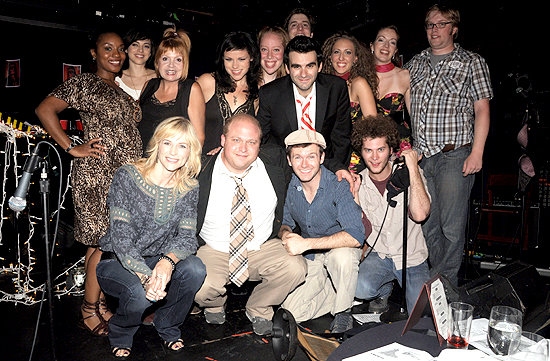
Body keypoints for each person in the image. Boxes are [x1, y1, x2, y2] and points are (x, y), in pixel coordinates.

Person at [35, 29, 143, 337]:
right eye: (107, 48)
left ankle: (98, 302)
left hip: (125, 177)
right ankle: (88, 309)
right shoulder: (84, 83)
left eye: (120, 49)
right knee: (101, 242)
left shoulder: (121, 89)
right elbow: (44, 110)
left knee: (106, 244)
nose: (116, 54)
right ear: (93, 53)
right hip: (98, 174)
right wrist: (71, 147)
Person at [96, 116, 206, 359]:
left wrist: (167, 262)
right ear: (157, 143)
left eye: (182, 146)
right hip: (116, 261)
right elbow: (121, 238)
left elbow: (188, 238)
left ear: (191, 153)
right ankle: (121, 331)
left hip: (158, 259)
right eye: (168, 143)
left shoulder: (189, 187)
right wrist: (147, 278)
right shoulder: (127, 176)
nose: (173, 152)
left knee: (196, 269)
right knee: (139, 293)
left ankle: (167, 325)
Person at [404, 4, 493, 286]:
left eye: (441, 24)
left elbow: (482, 109)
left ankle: (444, 292)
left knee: (451, 229)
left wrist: (477, 151)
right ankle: (439, 289)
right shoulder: (415, 63)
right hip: (422, 158)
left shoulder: (472, 62)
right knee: (428, 225)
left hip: (454, 155)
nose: (434, 30)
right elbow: (399, 94)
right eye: (430, 24)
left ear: (454, 28)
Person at [194, 113, 306, 336]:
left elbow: (308, 157)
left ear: (259, 144)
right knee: (199, 284)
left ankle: (259, 307)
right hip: (214, 249)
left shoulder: (273, 161)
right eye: (236, 140)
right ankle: (215, 303)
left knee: (296, 268)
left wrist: (340, 169)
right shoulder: (199, 169)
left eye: (251, 142)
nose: (243, 148)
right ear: (223, 140)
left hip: (261, 246)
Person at [279, 129, 364, 333]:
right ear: (289, 161)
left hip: (338, 250)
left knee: (342, 257)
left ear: (322, 158)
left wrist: (305, 244)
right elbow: (285, 222)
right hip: (314, 258)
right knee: (291, 312)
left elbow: (356, 235)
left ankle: (343, 312)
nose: (305, 164)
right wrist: (285, 235)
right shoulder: (291, 186)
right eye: (297, 157)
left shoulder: (338, 185)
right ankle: (340, 293)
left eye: (311, 156)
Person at [351, 114, 431, 314]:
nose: (375, 157)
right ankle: (384, 289)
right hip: (381, 255)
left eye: (381, 149)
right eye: (368, 150)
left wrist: (413, 167)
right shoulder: (358, 182)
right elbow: (361, 231)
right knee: (360, 288)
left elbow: (420, 214)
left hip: (412, 257)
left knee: (420, 316)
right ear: (361, 152)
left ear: (391, 150)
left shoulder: (408, 173)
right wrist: (355, 197)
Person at [257, 35, 354, 186]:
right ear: (288, 68)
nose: (303, 74)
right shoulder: (270, 94)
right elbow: (260, 139)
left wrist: (334, 171)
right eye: (297, 66)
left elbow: (341, 138)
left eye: (310, 66)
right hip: (284, 171)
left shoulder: (336, 88)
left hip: (325, 168)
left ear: (319, 66)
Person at [138, 27, 205, 155]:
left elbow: (199, 139)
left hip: (173, 167)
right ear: (157, 62)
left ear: (185, 64)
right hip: (142, 164)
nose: (171, 65)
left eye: (178, 60)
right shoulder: (149, 85)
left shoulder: (192, 89)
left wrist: (183, 170)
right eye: (165, 59)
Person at [321, 31, 378, 173]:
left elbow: (373, 125)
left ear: (355, 59)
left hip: (353, 156)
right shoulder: (323, 85)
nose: (341, 58)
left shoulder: (358, 83)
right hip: (328, 155)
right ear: (329, 57)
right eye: (336, 52)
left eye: (347, 52)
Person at [197, 31, 260, 156]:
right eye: (229, 59)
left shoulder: (257, 93)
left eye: (241, 59)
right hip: (200, 162)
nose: (235, 65)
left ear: (252, 57)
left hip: (236, 166)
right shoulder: (208, 82)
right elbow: (185, 120)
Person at [370, 25, 412, 150]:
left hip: (399, 143)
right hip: (368, 146)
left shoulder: (405, 75)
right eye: (381, 40)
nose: (386, 46)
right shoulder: (359, 77)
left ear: (395, 50)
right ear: (372, 46)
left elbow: (415, 117)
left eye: (392, 42)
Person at [115, 27, 157, 101]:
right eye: (135, 45)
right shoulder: (116, 80)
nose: (140, 50)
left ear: (150, 52)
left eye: (146, 46)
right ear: (126, 49)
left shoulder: (159, 77)